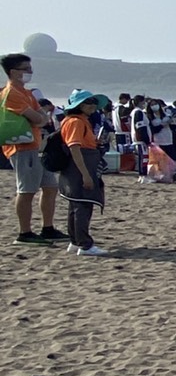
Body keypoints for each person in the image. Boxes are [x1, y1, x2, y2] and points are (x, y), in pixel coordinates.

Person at [2, 51, 65, 244]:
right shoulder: (11, 93)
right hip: (22, 147)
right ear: (13, 72)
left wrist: (40, 118)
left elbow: (41, 118)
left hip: (34, 145)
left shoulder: (27, 93)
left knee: (50, 187)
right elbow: (39, 117)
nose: (30, 72)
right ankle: (25, 232)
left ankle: (48, 227)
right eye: (26, 69)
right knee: (27, 190)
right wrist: (39, 118)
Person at [58, 90, 108, 255]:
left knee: (75, 205)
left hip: (78, 167)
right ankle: (84, 244)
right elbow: (74, 148)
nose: (92, 105)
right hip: (79, 168)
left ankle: (75, 241)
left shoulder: (78, 121)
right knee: (82, 205)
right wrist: (85, 174)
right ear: (79, 105)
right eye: (88, 102)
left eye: (94, 102)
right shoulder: (75, 122)